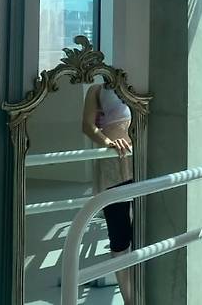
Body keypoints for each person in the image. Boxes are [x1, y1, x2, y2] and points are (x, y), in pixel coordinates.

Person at [82, 83, 134, 305]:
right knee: (119, 232)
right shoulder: (96, 89)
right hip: (112, 164)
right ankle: (130, 299)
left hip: (141, 158)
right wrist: (108, 142)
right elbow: (87, 126)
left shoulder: (136, 79)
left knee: (144, 227)